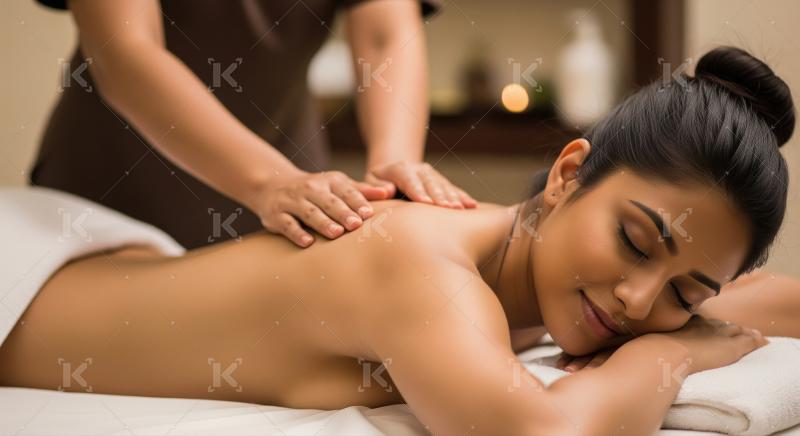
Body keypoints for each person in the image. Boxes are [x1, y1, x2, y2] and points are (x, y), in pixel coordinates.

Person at [2, 46, 797, 435]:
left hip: (121, 261)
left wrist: (698, 314)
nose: (636, 300)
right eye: (634, 241)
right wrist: (676, 353)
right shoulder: (424, 267)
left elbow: (763, 300)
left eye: (686, 295)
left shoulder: (532, 263)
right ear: (567, 174)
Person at [29, 0, 477, 250]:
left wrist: (394, 160)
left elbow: (385, 34)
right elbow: (123, 52)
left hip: (286, 188)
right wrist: (269, 183)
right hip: (111, 193)